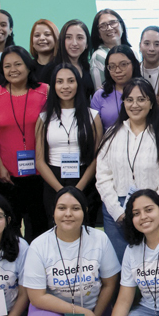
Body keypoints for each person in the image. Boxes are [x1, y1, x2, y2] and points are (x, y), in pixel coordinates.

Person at [23, 187, 120, 316]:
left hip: (93, 310)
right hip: (53, 311)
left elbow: (110, 284)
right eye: (62, 208)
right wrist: (77, 312)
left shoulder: (99, 239)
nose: (68, 214)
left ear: (84, 211)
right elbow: (36, 296)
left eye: (75, 208)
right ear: (53, 212)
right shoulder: (39, 245)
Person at [96, 77, 159, 261]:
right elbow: (102, 177)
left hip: (157, 207)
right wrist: (118, 212)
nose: (135, 105)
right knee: (120, 266)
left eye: (141, 99)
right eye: (129, 100)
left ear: (151, 103)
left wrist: (155, 208)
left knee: (157, 265)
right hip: (117, 208)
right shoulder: (112, 134)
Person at [0, 46, 50, 241]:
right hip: (7, 176)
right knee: (9, 230)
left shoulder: (44, 90)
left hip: (40, 173)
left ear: (29, 66)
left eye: (18, 64)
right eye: (7, 66)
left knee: (39, 228)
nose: (13, 69)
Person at [36, 64, 103, 225]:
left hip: (84, 180)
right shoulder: (43, 118)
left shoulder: (92, 116)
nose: (65, 86)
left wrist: (77, 189)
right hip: (54, 180)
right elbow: (39, 160)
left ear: (78, 84)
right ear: (54, 86)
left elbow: (97, 158)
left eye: (70, 81)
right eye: (60, 82)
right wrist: (61, 191)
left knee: (85, 229)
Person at [90, 45, 139, 129]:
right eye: (112, 66)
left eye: (123, 64)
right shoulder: (100, 95)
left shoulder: (144, 91)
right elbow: (96, 133)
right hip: (108, 141)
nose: (117, 70)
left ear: (133, 64)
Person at [90, 9, 130, 90]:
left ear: (121, 26)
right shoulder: (99, 56)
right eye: (103, 26)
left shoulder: (132, 52)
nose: (109, 28)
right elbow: (101, 95)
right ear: (98, 34)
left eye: (113, 23)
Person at [55, 19, 95, 95]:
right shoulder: (52, 68)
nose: (74, 43)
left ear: (87, 44)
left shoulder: (88, 68)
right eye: (68, 37)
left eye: (80, 38)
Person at [138, 26, 159, 95]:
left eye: (157, 44)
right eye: (147, 43)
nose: (151, 49)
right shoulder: (132, 71)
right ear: (140, 46)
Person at [29, 19, 58, 84]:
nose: (42, 38)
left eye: (47, 34)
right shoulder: (28, 68)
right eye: (37, 35)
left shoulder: (62, 66)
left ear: (55, 39)